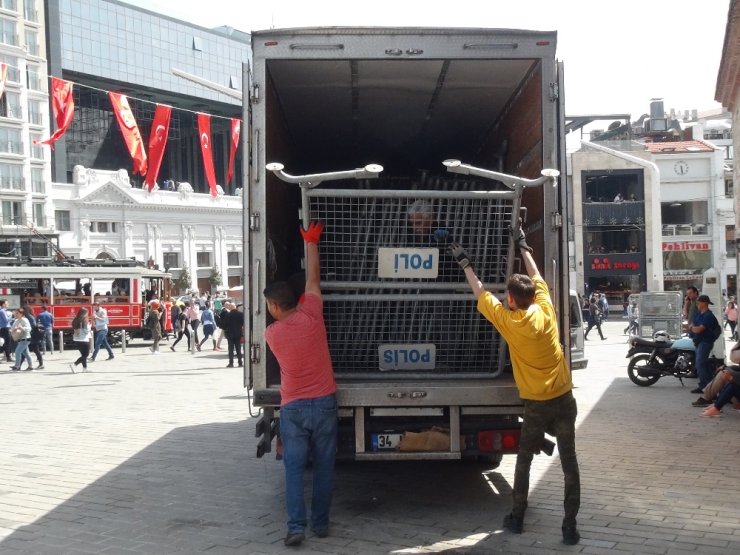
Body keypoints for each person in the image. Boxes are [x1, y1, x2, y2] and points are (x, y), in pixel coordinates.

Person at [448, 223, 580, 545]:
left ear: (510, 299)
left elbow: (479, 291)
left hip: (535, 403)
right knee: (570, 463)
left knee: (523, 460)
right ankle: (569, 526)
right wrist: (522, 244)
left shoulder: (509, 322)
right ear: (534, 296)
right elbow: (535, 273)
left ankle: (517, 517)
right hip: (564, 399)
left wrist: (465, 262)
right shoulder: (546, 308)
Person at [264, 222, 337, 547]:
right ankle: (321, 524)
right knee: (324, 467)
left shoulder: (272, 334)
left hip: (293, 407)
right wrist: (311, 243)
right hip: (324, 402)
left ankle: (296, 527)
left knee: (294, 469)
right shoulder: (313, 314)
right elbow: (313, 280)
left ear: (276, 307)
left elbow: (306, 287)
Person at [689, 294, 720, 394]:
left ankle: (707, 388)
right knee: (703, 364)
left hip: (705, 342)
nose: (697, 303)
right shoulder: (699, 313)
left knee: (700, 364)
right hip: (699, 342)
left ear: (704, 303)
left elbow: (699, 329)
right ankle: (708, 385)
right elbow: (693, 324)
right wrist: (693, 327)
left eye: (698, 302)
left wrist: (692, 328)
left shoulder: (709, 316)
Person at [69, 307, 91, 373]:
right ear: (84, 313)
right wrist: (90, 326)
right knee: (86, 355)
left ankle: (85, 368)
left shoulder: (75, 320)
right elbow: (86, 331)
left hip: (76, 339)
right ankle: (74, 365)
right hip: (84, 339)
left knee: (83, 355)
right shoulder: (84, 320)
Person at [225, 302, 244, 368]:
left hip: (230, 334)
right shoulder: (240, 314)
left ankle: (231, 363)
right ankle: (240, 363)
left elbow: (225, 325)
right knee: (238, 349)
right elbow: (243, 324)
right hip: (238, 334)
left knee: (231, 349)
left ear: (230, 308)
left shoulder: (228, 315)